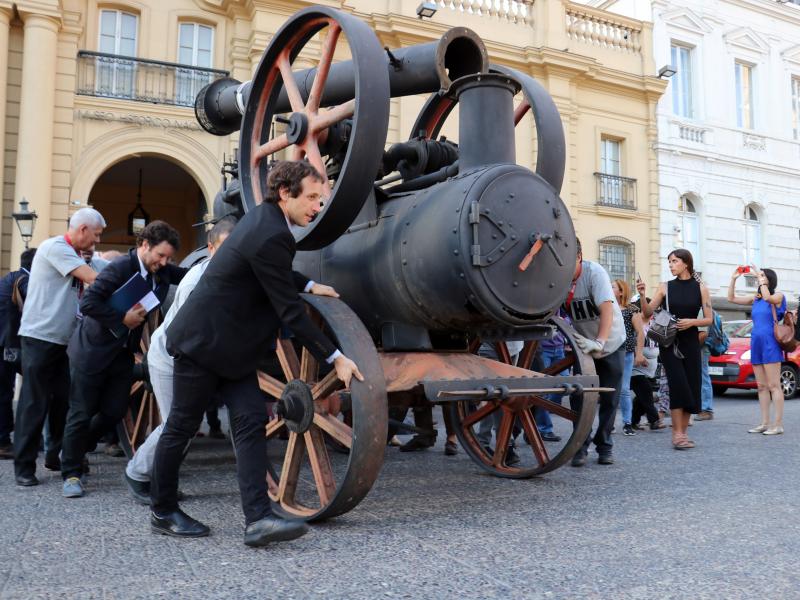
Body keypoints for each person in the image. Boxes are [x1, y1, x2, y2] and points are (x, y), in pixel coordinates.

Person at [150, 160, 363, 547]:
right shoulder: (271, 232)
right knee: (180, 427)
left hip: (231, 349)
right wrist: (336, 357)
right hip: (204, 344)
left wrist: (310, 283)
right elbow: (289, 313)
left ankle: (258, 520)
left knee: (249, 425)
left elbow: (272, 273)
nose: (318, 206)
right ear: (286, 193)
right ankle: (162, 511)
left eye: (322, 198)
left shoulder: (266, 221)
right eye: (313, 197)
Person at [60, 221, 187, 498]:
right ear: (144, 246)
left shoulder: (163, 270)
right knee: (80, 413)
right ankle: (70, 472)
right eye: (160, 255)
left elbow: (190, 275)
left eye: (169, 258)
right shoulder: (120, 268)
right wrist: (122, 318)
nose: (164, 262)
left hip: (122, 352)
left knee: (114, 411)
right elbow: (89, 303)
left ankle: (75, 448)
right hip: (91, 350)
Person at [124, 218, 234, 503]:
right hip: (170, 356)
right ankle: (137, 473)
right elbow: (184, 332)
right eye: (225, 248)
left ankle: (161, 481)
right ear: (211, 248)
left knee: (185, 424)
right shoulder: (197, 280)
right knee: (176, 424)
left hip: (192, 357)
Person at [13, 208, 105, 486]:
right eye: (96, 235)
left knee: (63, 402)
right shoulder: (56, 247)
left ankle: (55, 456)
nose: (97, 241)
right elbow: (93, 278)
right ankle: (24, 467)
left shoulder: (75, 254)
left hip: (64, 341)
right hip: (40, 337)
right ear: (82, 230)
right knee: (34, 402)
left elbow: (105, 266)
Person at [637, 249, 712, 450]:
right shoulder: (665, 287)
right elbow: (647, 313)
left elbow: (709, 319)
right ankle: (676, 434)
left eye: (674, 261)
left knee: (691, 387)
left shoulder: (701, 288)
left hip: (691, 342)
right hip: (670, 343)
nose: (670, 265)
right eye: (669, 262)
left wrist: (692, 322)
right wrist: (643, 295)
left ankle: (683, 433)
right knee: (678, 385)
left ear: (685, 263)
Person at [564, 239, 626, 466]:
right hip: (584, 347)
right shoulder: (559, 279)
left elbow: (607, 309)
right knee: (578, 397)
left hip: (611, 343)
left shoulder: (594, 272)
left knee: (610, 399)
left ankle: (605, 444)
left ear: (578, 256)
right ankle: (580, 446)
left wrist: (600, 342)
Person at [727, 266, 786, 435]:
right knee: (761, 386)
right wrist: (734, 278)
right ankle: (765, 423)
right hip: (756, 343)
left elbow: (768, 297)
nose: (758, 278)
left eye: (762, 276)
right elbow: (731, 298)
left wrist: (760, 279)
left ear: (769, 280)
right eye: (759, 276)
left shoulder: (778, 296)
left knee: (774, 385)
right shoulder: (755, 299)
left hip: (770, 343)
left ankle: (778, 424)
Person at [0, 248, 36, 459]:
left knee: (6, 391)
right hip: (9, 345)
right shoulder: (25, 280)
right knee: (10, 391)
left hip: (7, 343)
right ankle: (4, 441)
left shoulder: (11, 277)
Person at [612, 279, 647, 436]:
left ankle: (627, 423)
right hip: (609, 353)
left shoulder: (632, 310)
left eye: (612, 287)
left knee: (624, 389)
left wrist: (639, 353)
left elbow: (640, 332)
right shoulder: (606, 308)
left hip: (626, 353)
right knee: (610, 390)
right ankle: (609, 423)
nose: (609, 288)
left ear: (621, 291)